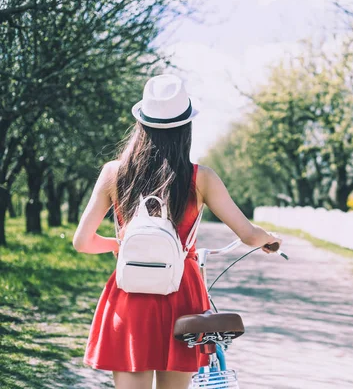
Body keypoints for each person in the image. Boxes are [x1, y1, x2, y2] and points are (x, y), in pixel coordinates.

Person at [72, 74, 282, 389]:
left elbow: (82, 242)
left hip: (131, 292)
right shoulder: (201, 178)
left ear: (141, 123)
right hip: (181, 294)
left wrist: (118, 245)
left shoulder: (113, 174)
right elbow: (249, 234)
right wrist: (268, 239)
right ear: (186, 127)